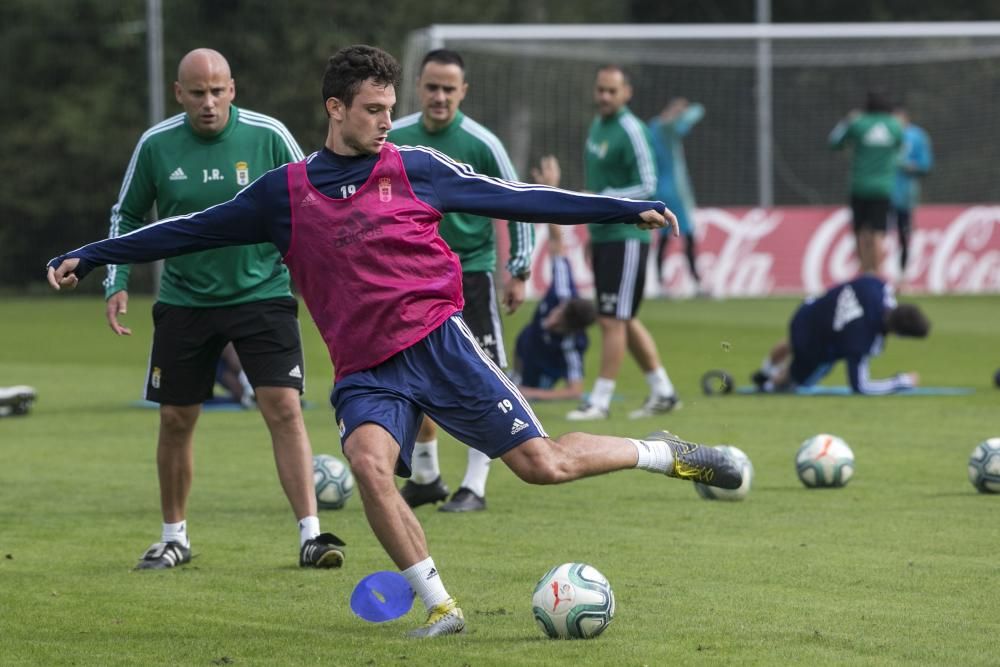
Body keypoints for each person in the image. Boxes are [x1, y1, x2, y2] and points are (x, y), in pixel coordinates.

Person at [48, 45, 742, 638]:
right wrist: (93, 252)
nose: (388, 121)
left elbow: (518, 195)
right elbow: (185, 228)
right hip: (366, 371)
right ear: (336, 109)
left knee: (543, 466)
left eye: (389, 108)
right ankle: (439, 603)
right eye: (374, 109)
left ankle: (666, 452)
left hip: (441, 345)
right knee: (369, 463)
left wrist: (620, 207)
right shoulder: (281, 194)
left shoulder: (417, 168)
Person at [101, 48, 343, 570]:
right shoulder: (157, 145)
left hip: (261, 294)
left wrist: (325, 275)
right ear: (179, 94)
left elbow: (311, 206)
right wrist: (116, 279)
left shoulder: (268, 135)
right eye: (197, 93)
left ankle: (311, 535)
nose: (208, 103)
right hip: (185, 300)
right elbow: (128, 214)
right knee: (175, 419)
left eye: (217, 91)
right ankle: (174, 537)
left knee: (283, 407)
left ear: (232, 89)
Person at [387, 49, 534, 513]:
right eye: (432, 86)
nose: (440, 96)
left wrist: (520, 269)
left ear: (463, 92)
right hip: (413, 277)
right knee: (414, 372)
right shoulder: (396, 138)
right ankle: (427, 475)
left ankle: (475, 485)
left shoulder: (482, 142)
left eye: (449, 88)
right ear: (419, 87)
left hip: (470, 272)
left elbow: (519, 202)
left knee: (484, 376)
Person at [568, 64, 681, 421]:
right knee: (622, 317)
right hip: (604, 234)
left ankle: (600, 401)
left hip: (628, 235)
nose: (604, 96)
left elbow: (648, 184)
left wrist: (600, 199)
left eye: (611, 91)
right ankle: (663, 390)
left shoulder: (632, 129)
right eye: (600, 89)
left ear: (626, 93)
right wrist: (594, 228)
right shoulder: (598, 126)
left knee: (611, 319)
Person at [750, 275, 930, 394]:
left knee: (792, 341)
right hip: (814, 349)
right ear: (900, 334)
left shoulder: (877, 286)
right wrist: (901, 382)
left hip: (806, 313)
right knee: (794, 382)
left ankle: (766, 370)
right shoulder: (865, 342)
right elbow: (860, 386)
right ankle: (771, 383)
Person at [513, 223, 596, 402]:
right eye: (557, 313)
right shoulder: (562, 289)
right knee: (525, 334)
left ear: (572, 329)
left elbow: (575, 391)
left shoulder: (573, 345)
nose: (552, 320)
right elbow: (557, 243)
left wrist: (529, 393)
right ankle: (515, 377)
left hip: (540, 376)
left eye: (559, 323)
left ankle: (524, 387)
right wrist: (551, 212)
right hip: (527, 345)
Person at [829, 90, 904, 275]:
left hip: (859, 186)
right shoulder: (894, 126)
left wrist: (847, 121)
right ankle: (878, 274)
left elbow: (834, 142)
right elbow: (900, 148)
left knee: (860, 232)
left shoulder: (858, 123)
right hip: (883, 187)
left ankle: (864, 273)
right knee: (878, 232)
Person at [649, 98, 705, 297]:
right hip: (675, 190)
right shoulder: (668, 128)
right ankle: (697, 283)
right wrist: (681, 111)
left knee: (663, 238)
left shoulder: (653, 128)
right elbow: (698, 111)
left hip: (658, 189)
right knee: (688, 235)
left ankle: (660, 284)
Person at [890, 104, 934, 286]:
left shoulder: (917, 136)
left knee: (903, 235)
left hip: (905, 196)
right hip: (882, 194)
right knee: (875, 234)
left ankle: (902, 277)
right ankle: (872, 276)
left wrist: (907, 165)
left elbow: (926, 164)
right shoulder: (886, 135)